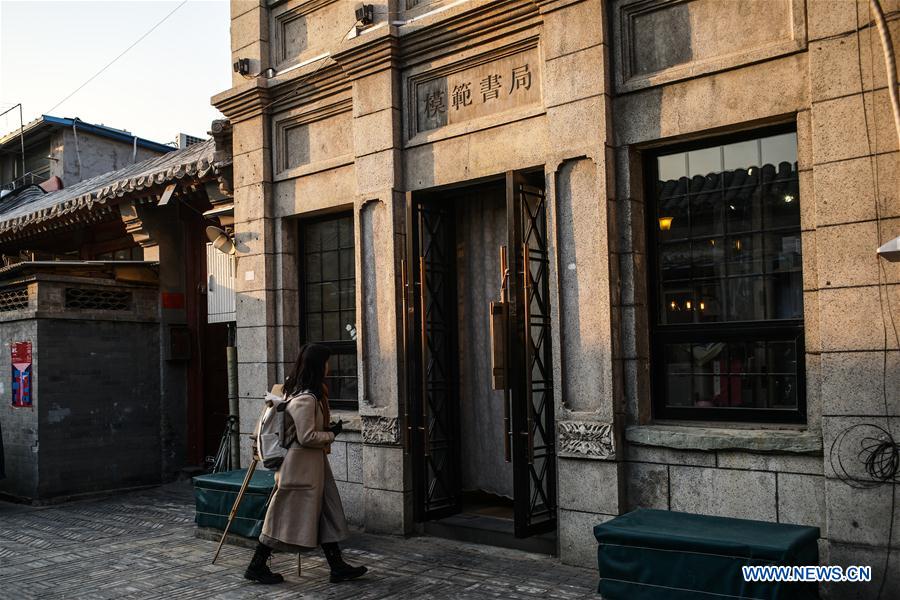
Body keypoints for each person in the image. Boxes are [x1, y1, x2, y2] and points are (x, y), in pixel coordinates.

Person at [244, 343, 367, 585]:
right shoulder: (306, 398)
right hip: (300, 469)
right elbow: (307, 436)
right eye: (327, 362)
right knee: (282, 516)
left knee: (325, 512)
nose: (330, 366)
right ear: (319, 365)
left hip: (310, 468)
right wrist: (332, 433)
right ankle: (256, 565)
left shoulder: (299, 392)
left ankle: (337, 565)